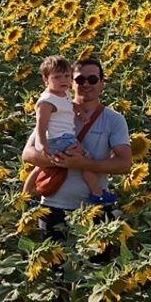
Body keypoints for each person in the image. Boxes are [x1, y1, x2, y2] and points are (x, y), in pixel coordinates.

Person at [21, 58, 132, 242]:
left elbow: (124, 164)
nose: (86, 84)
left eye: (93, 79)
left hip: (93, 211)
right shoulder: (55, 110)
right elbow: (28, 154)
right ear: (71, 82)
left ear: (102, 83)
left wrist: (84, 163)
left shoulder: (113, 119)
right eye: (80, 80)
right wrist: (61, 159)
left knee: (97, 266)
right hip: (52, 207)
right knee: (56, 268)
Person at [23, 55, 111, 204]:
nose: (63, 80)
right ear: (45, 79)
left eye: (66, 76)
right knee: (84, 160)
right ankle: (98, 193)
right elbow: (41, 124)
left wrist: (79, 112)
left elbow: (70, 104)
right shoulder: (46, 101)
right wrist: (43, 144)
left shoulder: (63, 94)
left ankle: (25, 196)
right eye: (57, 77)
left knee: (39, 167)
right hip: (59, 139)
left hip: (59, 138)